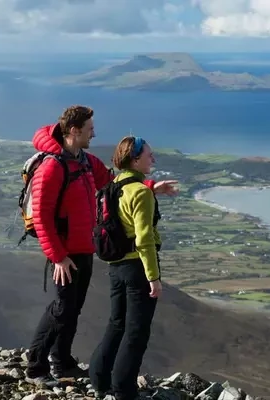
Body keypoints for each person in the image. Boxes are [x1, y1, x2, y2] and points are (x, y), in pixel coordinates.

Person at [24, 106, 177, 385]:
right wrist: (57, 256)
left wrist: (149, 187)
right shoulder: (52, 167)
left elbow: (114, 185)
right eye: (90, 128)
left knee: (74, 307)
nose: (94, 133)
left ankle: (62, 362)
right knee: (62, 307)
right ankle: (36, 366)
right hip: (65, 251)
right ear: (74, 130)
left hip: (84, 247)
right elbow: (43, 215)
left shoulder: (84, 160)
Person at [89, 136, 176, 400]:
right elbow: (144, 239)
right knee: (136, 331)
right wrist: (154, 278)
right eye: (150, 155)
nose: (154, 159)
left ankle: (99, 379)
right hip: (137, 267)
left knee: (117, 324)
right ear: (135, 159)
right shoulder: (141, 193)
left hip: (115, 266)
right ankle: (124, 390)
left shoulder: (113, 186)